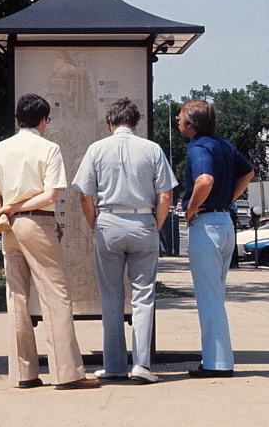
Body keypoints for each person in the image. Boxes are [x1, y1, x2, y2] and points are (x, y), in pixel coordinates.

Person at [0, 93, 100, 390]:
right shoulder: (49, 148)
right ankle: (68, 373)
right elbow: (51, 195)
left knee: (17, 297)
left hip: (7, 228)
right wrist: (19, 207)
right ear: (43, 120)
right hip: (38, 222)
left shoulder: (0, 149)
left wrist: (8, 209)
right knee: (56, 295)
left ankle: (24, 373)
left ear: (18, 118)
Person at [72, 98, 177, 384]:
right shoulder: (152, 149)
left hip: (108, 221)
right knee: (143, 297)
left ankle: (115, 365)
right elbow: (165, 195)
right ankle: (142, 365)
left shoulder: (96, 149)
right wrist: (155, 225)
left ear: (110, 121)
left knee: (111, 297)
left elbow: (84, 194)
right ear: (136, 121)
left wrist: (95, 224)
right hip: (143, 221)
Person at [177, 100, 254, 378]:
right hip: (225, 221)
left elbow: (204, 179)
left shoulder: (198, 147)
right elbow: (248, 172)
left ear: (192, 124)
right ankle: (217, 358)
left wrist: (192, 207)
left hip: (207, 224)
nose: (177, 121)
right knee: (215, 294)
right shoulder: (224, 144)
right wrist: (229, 198)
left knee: (208, 297)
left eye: (180, 118)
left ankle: (217, 362)